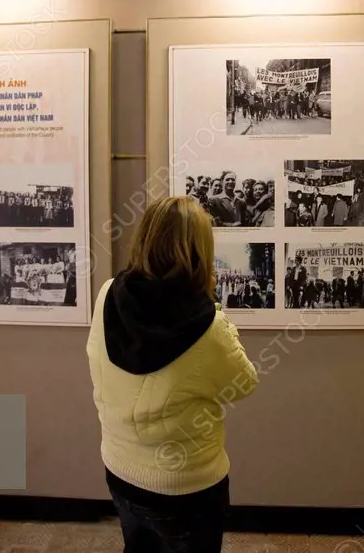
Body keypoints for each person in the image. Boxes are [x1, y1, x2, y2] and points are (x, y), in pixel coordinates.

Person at [86, 196, 258, 553]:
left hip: (121, 470)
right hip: (185, 487)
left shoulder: (108, 294)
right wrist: (214, 305)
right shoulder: (208, 325)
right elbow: (244, 382)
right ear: (201, 249)